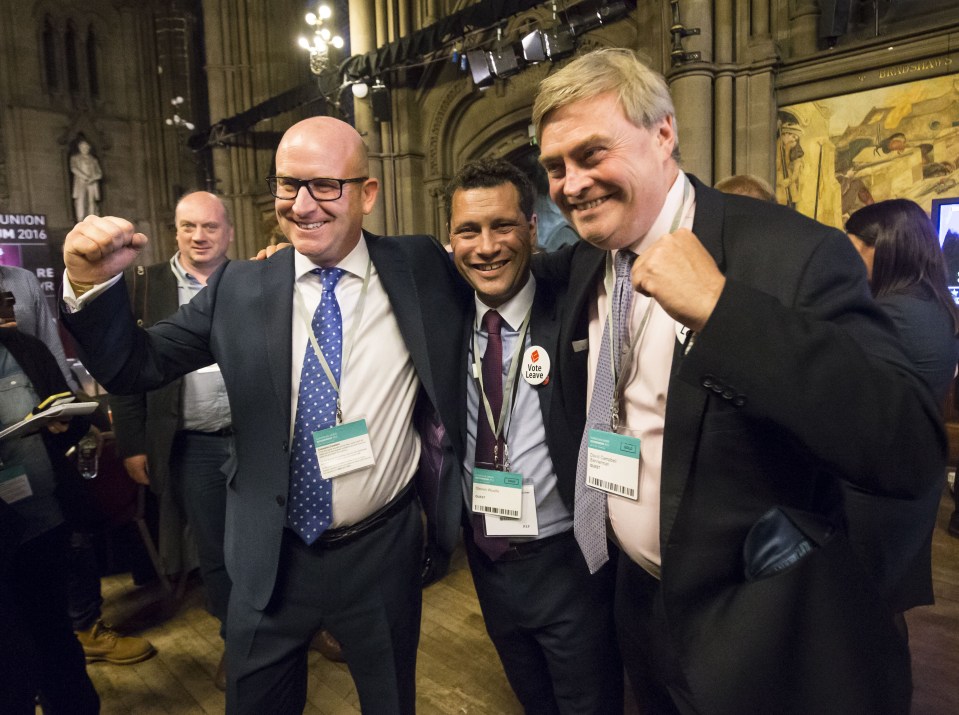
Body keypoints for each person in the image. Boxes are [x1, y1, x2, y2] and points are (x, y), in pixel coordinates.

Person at [532, 48, 945, 714]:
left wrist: (724, 311)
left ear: (663, 132)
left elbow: (906, 445)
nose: (571, 183)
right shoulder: (585, 263)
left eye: (590, 153)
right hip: (636, 606)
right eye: (554, 166)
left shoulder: (793, 251)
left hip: (762, 633)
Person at [59, 116, 467, 715]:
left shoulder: (420, 266)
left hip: (381, 552)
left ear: (368, 193)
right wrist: (90, 285)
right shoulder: (238, 287)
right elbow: (133, 366)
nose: (302, 206)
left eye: (325, 185)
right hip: (267, 556)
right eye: (287, 186)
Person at [445, 158, 622, 714]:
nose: (486, 246)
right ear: (449, 239)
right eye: (468, 230)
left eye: (503, 226)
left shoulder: (568, 291)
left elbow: (619, 233)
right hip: (488, 559)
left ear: (532, 228)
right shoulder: (439, 310)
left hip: (568, 559)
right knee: (531, 699)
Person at [108, 190, 235, 687]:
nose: (198, 237)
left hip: (256, 439)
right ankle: (237, 642)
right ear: (174, 230)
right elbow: (124, 369)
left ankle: (303, 625)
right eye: (188, 227)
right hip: (194, 445)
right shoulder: (145, 286)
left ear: (228, 232)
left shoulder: (249, 281)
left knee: (282, 540)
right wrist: (134, 442)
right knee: (218, 553)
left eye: (209, 227)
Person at [0, 264, 155, 666]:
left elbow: (49, 352)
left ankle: (85, 629)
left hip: (42, 456)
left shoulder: (21, 286)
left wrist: (67, 410)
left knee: (68, 534)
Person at [845, 199, 959, 590]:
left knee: (863, 608)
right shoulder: (934, 304)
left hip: (876, 491)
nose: (848, 261)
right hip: (909, 481)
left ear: (884, 249)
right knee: (886, 602)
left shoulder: (891, 315)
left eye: (854, 250)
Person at [0, 327, 99, 714]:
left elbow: (69, 415)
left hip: (42, 521)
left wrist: (63, 421)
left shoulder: (24, 348)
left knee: (54, 637)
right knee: (11, 662)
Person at [70, 139, 103, 222]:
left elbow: (99, 173)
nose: (85, 149)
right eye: (83, 147)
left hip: (92, 183)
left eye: (86, 147)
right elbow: (74, 168)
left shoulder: (93, 160)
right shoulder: (75, 158)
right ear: (80, 148)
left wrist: (93, 178)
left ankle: (92, 219)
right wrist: (85, 177)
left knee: (91, 202)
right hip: (81, 182)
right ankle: (80, 219)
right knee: (80, 200)